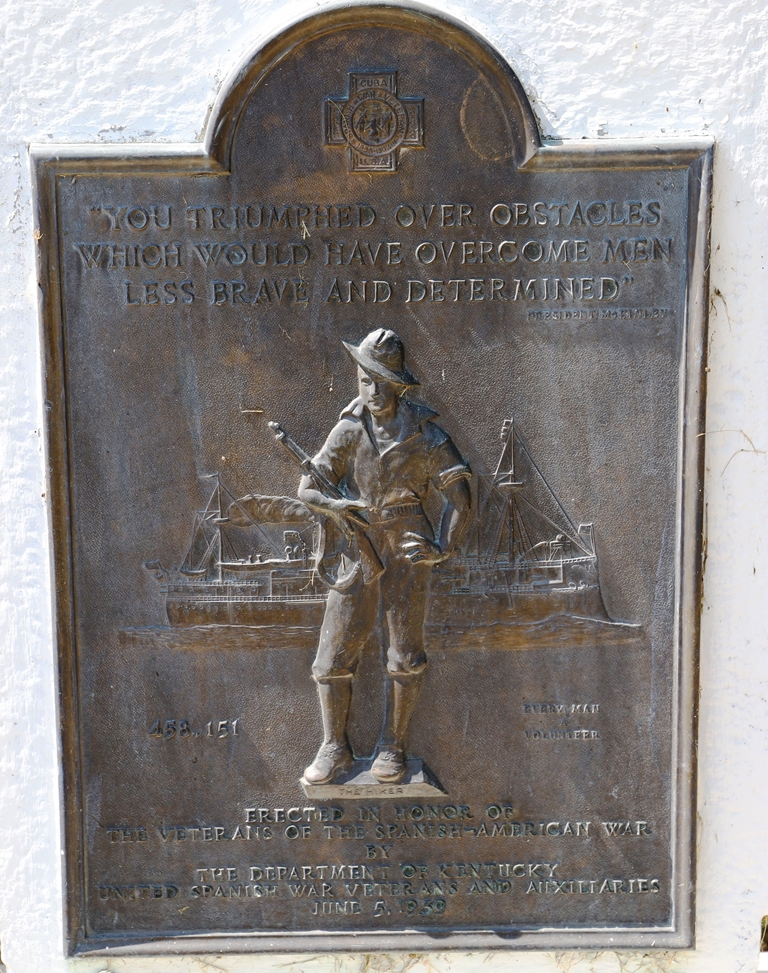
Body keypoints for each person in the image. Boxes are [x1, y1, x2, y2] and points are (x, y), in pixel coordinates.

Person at [298, 328, 471, 785]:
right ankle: (334, 746)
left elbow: (461, 496)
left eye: (382, 381)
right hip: (357, 545)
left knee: (404, 653)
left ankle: (392, 746)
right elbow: (309, 487)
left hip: (406, 544)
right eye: (364, 380)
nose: (373, 391)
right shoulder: (348, 430)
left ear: (399, 383)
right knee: (332, 654)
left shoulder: (426, 434)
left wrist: (441, 547)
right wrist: (339, 507)